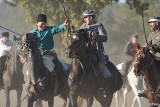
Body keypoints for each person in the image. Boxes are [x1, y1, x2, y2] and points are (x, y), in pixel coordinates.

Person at [23, 13, 69, 86]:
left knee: (59, 65)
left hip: (49, 54)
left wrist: (65, 24)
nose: (43, 26)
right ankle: (29, 87)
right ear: (37, 23)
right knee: (29, 72)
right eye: (41, 24)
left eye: (44, 24)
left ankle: (63, 84)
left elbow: (58, 28)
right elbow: (26, 46)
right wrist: (24, 55)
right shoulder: (31, 33)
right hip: (36, 56)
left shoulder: (50, 29)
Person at [80, 9, 112, 96]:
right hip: (85, 50)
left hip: (97, 49)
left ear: (91, 17)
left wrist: (96, 36)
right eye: (85, 17)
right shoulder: (82, 27)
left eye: (88, 17)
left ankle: (101, 87)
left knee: (101, 62)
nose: (86, 19)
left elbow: (105, 37)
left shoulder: (99, 25)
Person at [138, 16, 160, 98]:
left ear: (157, 23)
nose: (150, 24)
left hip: (159, 56)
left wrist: (155, 47)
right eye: (150, 23)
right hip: (152, 57)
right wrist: (144, 48)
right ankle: (145, 89)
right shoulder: (151, 33)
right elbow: (148, 43)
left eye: (152, 23)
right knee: (142, 66)